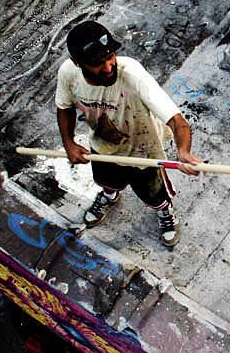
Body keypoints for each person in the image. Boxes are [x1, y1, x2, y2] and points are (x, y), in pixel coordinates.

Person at [54, 21, 203, 247]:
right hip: (103, 145)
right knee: (106, 180)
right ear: (78, 63)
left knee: (153, 194)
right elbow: (64, 107)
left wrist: (183, 151)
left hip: (142, 151)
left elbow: (177, 121)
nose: (108, 66)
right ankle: (109, 198)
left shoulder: (132, 74)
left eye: (110, 56)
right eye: (97, 62)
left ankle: (165, 212)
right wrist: (69, 143)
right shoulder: (68, 73)